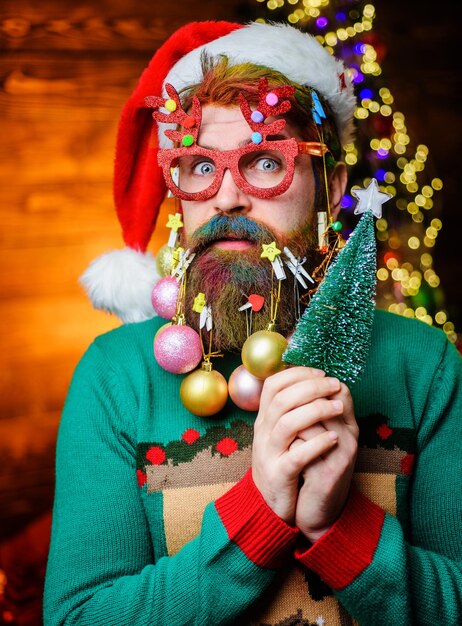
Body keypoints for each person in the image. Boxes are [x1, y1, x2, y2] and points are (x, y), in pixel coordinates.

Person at [44, 21, 462, 626]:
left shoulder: (424, 366)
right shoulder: (113, 378)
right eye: (197, 167)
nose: (226, 199)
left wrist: (338, 527)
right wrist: (261, 513)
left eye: (265, 162)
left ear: (331, 185)